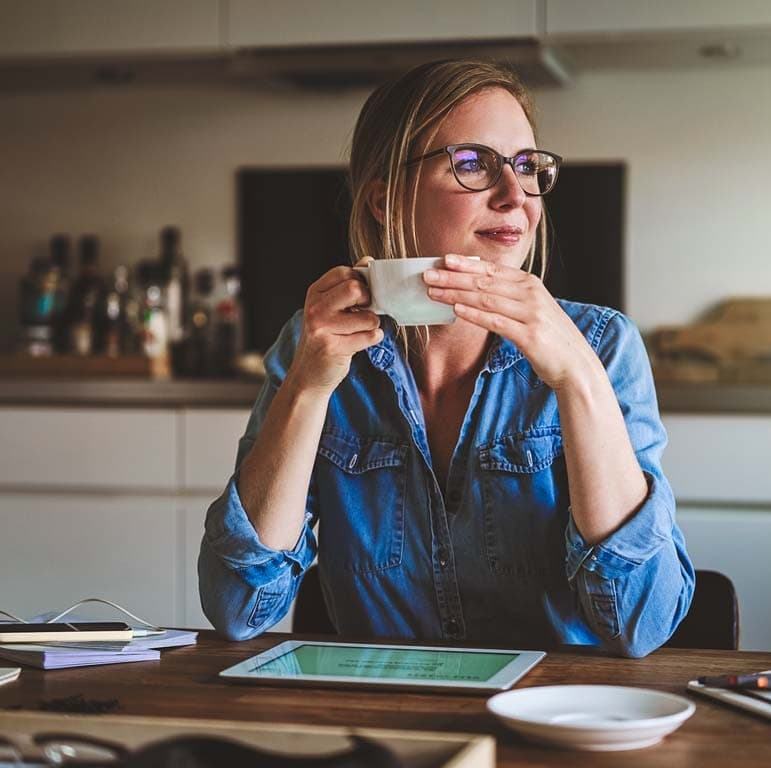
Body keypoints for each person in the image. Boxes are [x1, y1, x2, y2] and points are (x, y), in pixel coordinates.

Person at [199, 59, 695, 658]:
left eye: (527, 167)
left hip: (557, 719)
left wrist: (578, 377)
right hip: (385, 724)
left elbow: (641, 623)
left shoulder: (604, 345)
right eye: (472, 164)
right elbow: (237, 609)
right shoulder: (313, 349)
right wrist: (307, 389)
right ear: (384, 200)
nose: (516, 197)